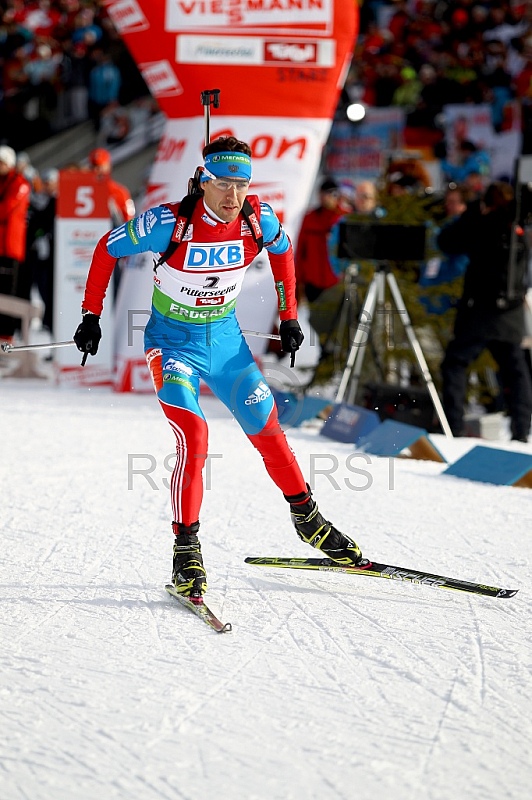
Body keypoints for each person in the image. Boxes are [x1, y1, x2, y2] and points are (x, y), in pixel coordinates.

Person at [73, 136, 364, 599]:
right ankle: (186, 547)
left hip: (225, 344)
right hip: (172, 346)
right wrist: (91, 315)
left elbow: (284, 253)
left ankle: (307, 518)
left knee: (266, 426)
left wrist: (288, 317)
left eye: (242, 184)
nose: (234, 196)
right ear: (204, 181)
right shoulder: (168, 222)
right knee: (196, 434)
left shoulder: (256, 218)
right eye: (224, 184)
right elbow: (107, 248)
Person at [438, 181, 532, 442]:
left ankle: (453, 426)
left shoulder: (482, 225)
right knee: (516, 371)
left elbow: (446, 241)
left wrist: (470, 214)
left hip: (478, 312)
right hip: (509, 313)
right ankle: (521, 431)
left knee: (455, 364)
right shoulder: (519, 227)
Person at [0, 145, 31, 341]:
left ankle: (7, 336)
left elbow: (6, 209)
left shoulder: (20, 183)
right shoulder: (4, 182)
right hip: (1, 245)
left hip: (10, 247)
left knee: (9, 293)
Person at [295, 177, 343, 302]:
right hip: (312, 282)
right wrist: (298, 277)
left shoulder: (342, 218)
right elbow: (301, 249)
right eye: (323, 193)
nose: (326, 197)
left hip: (336, 282)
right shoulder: (310, 218)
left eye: (330, 193)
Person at [88, 148, 135, 225]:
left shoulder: (119, 192)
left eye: (99, 167)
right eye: (93, 167)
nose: (95, 171)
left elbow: (129, 221)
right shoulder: (82, 190)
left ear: (108, 166)